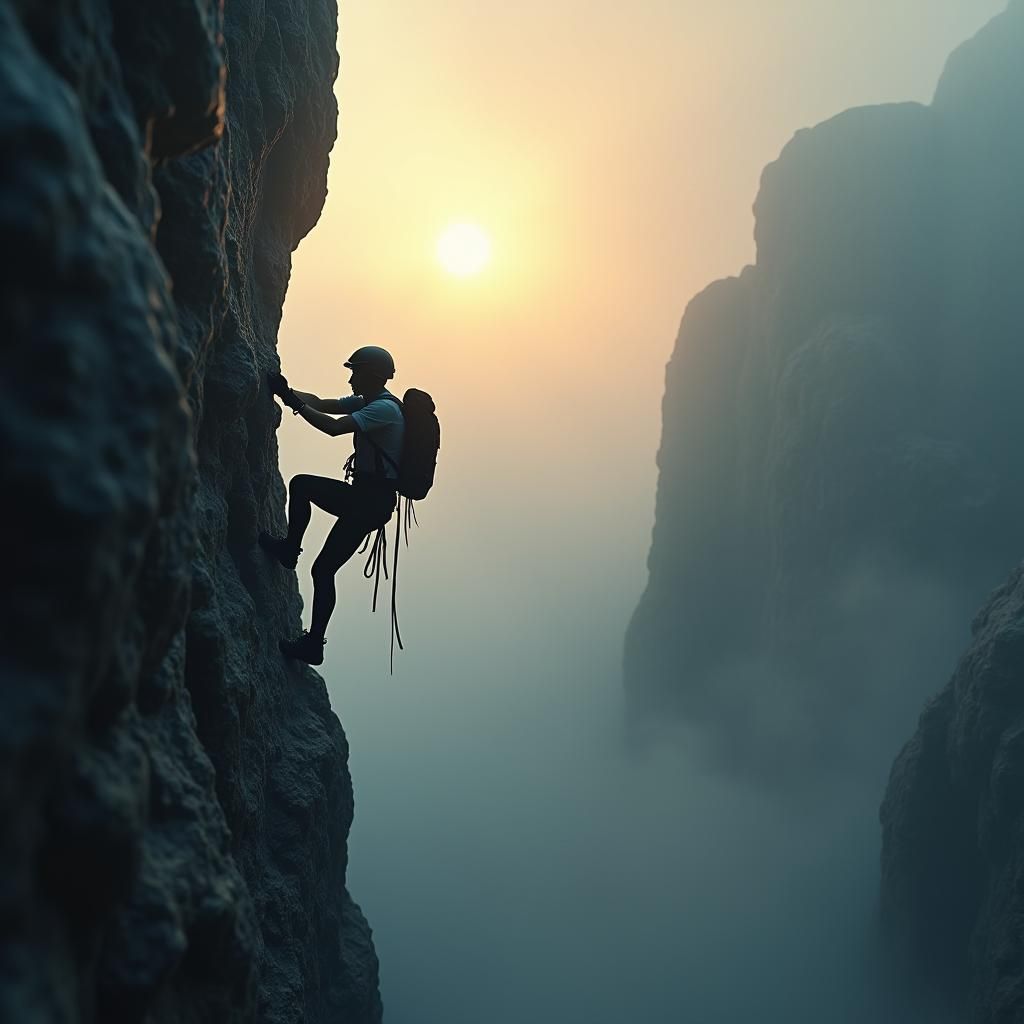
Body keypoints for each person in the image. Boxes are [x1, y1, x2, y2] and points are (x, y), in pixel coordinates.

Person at [261, 345, 404, 665]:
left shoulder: (384, 410)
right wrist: (286, 390)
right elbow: (324, 404)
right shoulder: (370, 402)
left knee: (305, 495)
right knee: (323, 566)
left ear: (371, 375)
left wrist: (291, 401)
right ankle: (312, 640)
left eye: (356, 371)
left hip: (369, 502)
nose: (351, 377)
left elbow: (333, 427)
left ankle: (290, 555)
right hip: (367, 499)